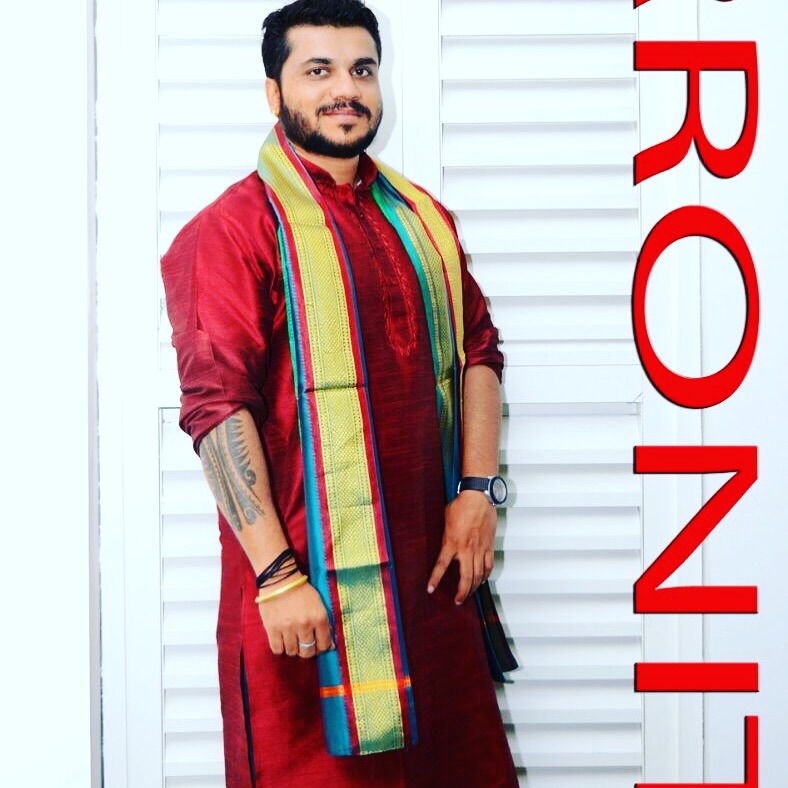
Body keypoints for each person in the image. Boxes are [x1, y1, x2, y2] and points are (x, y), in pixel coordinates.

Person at [160, 1, 518, 785]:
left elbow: (479, 351)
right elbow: (217, 410)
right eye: (317, 70)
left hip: (434, 587)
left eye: (361, 69)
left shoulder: (421, 220)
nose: (344, 89)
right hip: (308, 600)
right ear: (274, 91)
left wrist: (478, 490)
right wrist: (275, 575)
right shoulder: (233, 231)